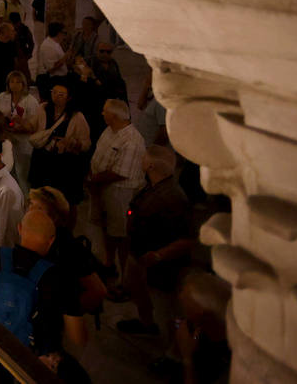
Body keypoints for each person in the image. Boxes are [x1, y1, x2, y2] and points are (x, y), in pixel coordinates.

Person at [0, 210, 89, 378]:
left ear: (20, 229)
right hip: (34, 366)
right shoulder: (59, 278)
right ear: (51, 241)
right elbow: (77, 337)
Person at [117, 145, 194, 338]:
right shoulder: (152, 185)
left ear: (151, 165)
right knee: (140, 294)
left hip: (161, 267)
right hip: (140, 255)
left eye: (144, 158)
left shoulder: (174, 198)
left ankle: (172, 354)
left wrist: (159, 255)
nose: (140, 160)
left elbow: (187, 240)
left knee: (165, 310)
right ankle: (146, 323)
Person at [87, 98, 146, 282]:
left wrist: (92, 179)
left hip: (120, 193)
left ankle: (124, 275)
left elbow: (120, 173)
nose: (102, 113)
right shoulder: (110, 130)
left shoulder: (132, 140)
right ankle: (108, 262)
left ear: (114, 115)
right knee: (107, 229)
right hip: (102, 189)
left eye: (105, 111)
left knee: (120, 233)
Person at [29, 187, 108, 315]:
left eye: (38, 209)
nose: (30, 212)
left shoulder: (68, 247)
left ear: (54, 217)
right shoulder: (36, 236)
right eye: (31, 205)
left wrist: (66, 315)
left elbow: (98, 291)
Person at [29, 83, 92, 206]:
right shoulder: (43, 108)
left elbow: (86, 143)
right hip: (42, 160)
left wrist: (72, 143)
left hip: (64, 164)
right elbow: (32, 125)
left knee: (65, 201)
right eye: (54, 92)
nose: (56, 96)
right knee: (41, 197)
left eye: (61, 94)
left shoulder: (76, 116)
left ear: (68, 98)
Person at [0, 70, 44, 191]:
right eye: (12, 81)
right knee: (7, 172)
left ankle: (25, 199)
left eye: (18, 82)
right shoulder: (2, 97)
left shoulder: (30, 100)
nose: (14, 84)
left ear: (23, 84)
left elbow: (36, 123)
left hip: (23, 141)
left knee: (22, 173)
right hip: (5, 137)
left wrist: (22, 124)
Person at [33, 21, 71, 95]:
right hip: (52, 80)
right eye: (64, 33)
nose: (65, 36)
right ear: (58, 33)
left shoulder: (55, 43)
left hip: (59, 77)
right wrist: (65, 57)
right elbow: (51, 68)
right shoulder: (48, 46)